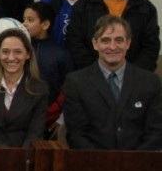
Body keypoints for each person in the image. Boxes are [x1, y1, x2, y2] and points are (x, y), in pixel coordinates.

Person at [63, 16, 162, 151]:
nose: (112, 46)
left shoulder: (150, 82)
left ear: (128, 43)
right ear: (95, 44)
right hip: (93, 165)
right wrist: (106, 163)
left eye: (119, 40)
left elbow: (156, 132)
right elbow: (76, 135)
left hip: (139, 165)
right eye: (105, 40)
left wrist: (132, 162)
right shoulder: (76, 83)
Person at [0, 28, 48, 148]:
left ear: (28, 54)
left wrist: (19, 156)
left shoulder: (39, 89)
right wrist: (4, 152)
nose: (11, 58)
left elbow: (35, 131)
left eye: (18, 52)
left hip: (24, 156)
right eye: (5, 52)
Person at [23, 2, 73, 132]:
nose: (24, 24)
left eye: (30, 20)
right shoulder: (19, 50)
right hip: (20, 117)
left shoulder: (61, 53)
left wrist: (58, 118)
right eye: (23, 19)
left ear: (45, 24)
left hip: (50, 118)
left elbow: (68, 89)